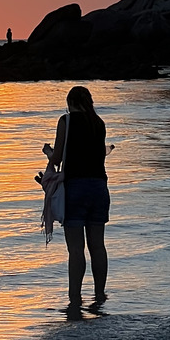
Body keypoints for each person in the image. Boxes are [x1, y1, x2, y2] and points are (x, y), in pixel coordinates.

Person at [42, 85, 109, 316]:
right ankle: (100, 295)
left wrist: (48, 152)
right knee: (97, 245)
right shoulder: (99, 123)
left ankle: (75, 299)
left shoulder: (66, 121)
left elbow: (59, 158)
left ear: (69, 102)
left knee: (76, 249)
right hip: (99, 188)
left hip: (76, 188)